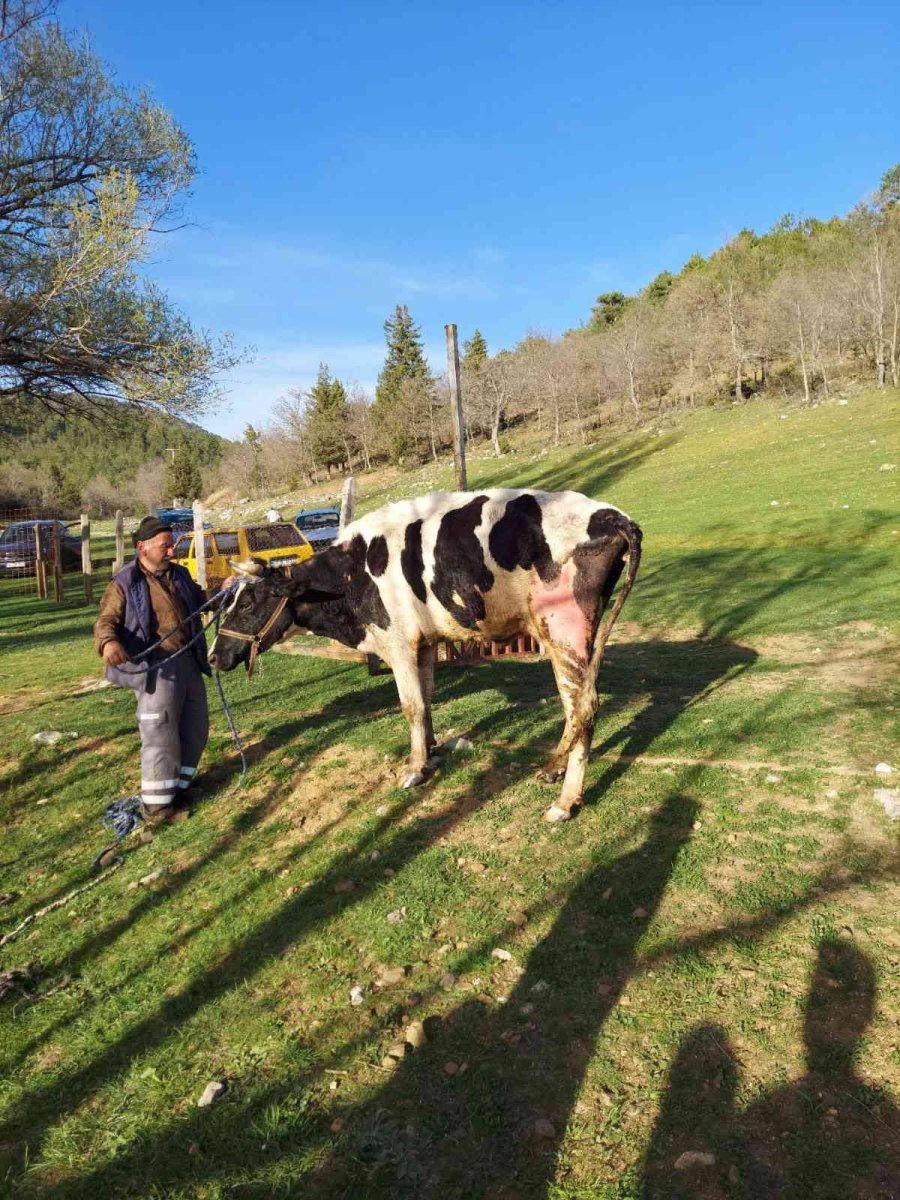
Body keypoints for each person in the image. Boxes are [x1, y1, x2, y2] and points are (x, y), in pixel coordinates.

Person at [93, 515, 224, 825]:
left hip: (189, 661)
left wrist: (224, 589)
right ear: (142, 547)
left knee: (195, 729)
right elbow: (105, 621)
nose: (171, 552)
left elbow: (201, 601)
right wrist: (108, 644)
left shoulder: (179, 574)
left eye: (172, 545)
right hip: (157, 669)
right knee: (160, 735)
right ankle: (157, 808)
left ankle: (179, 789)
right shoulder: (124, 582)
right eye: (165, 547)